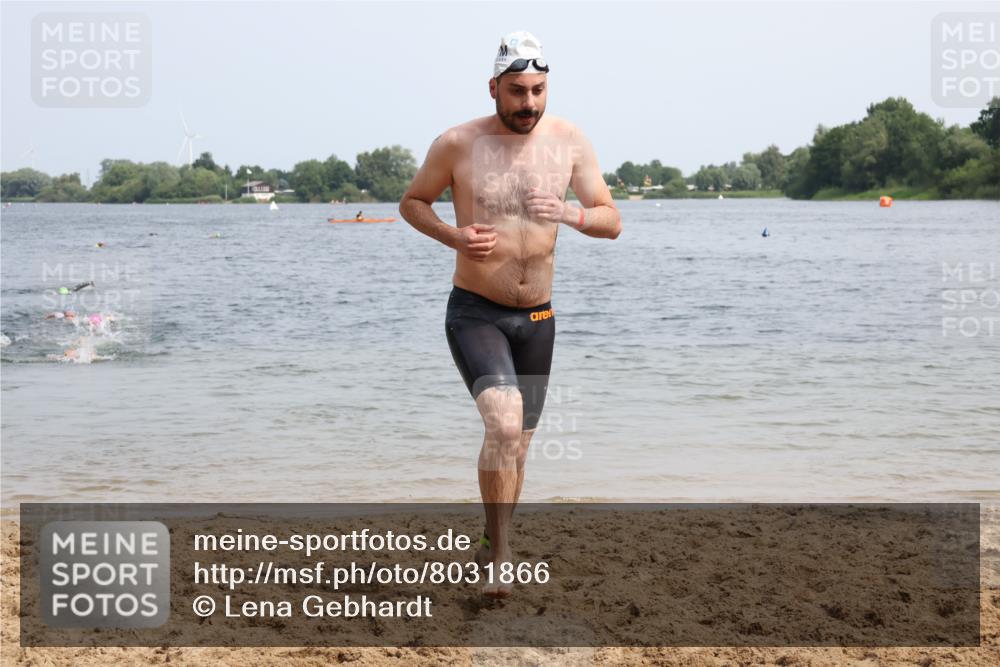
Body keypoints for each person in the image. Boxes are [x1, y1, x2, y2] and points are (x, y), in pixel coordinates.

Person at [399, 30, 621, 598]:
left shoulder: (570, 141)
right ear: (494, 87)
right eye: (518, 91)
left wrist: (570, 215)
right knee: (501, 425)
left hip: (538, 318)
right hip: (476, 310)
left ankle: (489, 539)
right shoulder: (457, 142)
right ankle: (503, 556)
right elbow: (412, 202)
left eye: (539, 90)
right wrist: (452, 235)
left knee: (518, 444)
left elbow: (611, 220)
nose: (529, 103)